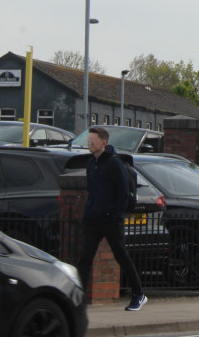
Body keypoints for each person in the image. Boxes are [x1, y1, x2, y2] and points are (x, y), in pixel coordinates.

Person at [77, 126, 147, 311]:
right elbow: (92, 191)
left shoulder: (114, 164)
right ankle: (79, 299)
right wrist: (88, 212)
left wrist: (115, 215)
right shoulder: (91, 163)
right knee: (85, 258)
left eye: (92, 141)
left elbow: (123, 193)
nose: (89, 144)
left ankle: (139, 294)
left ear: (103, 143)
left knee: (121, 256)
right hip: (93, 220)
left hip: (110, 220)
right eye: (88, 141)